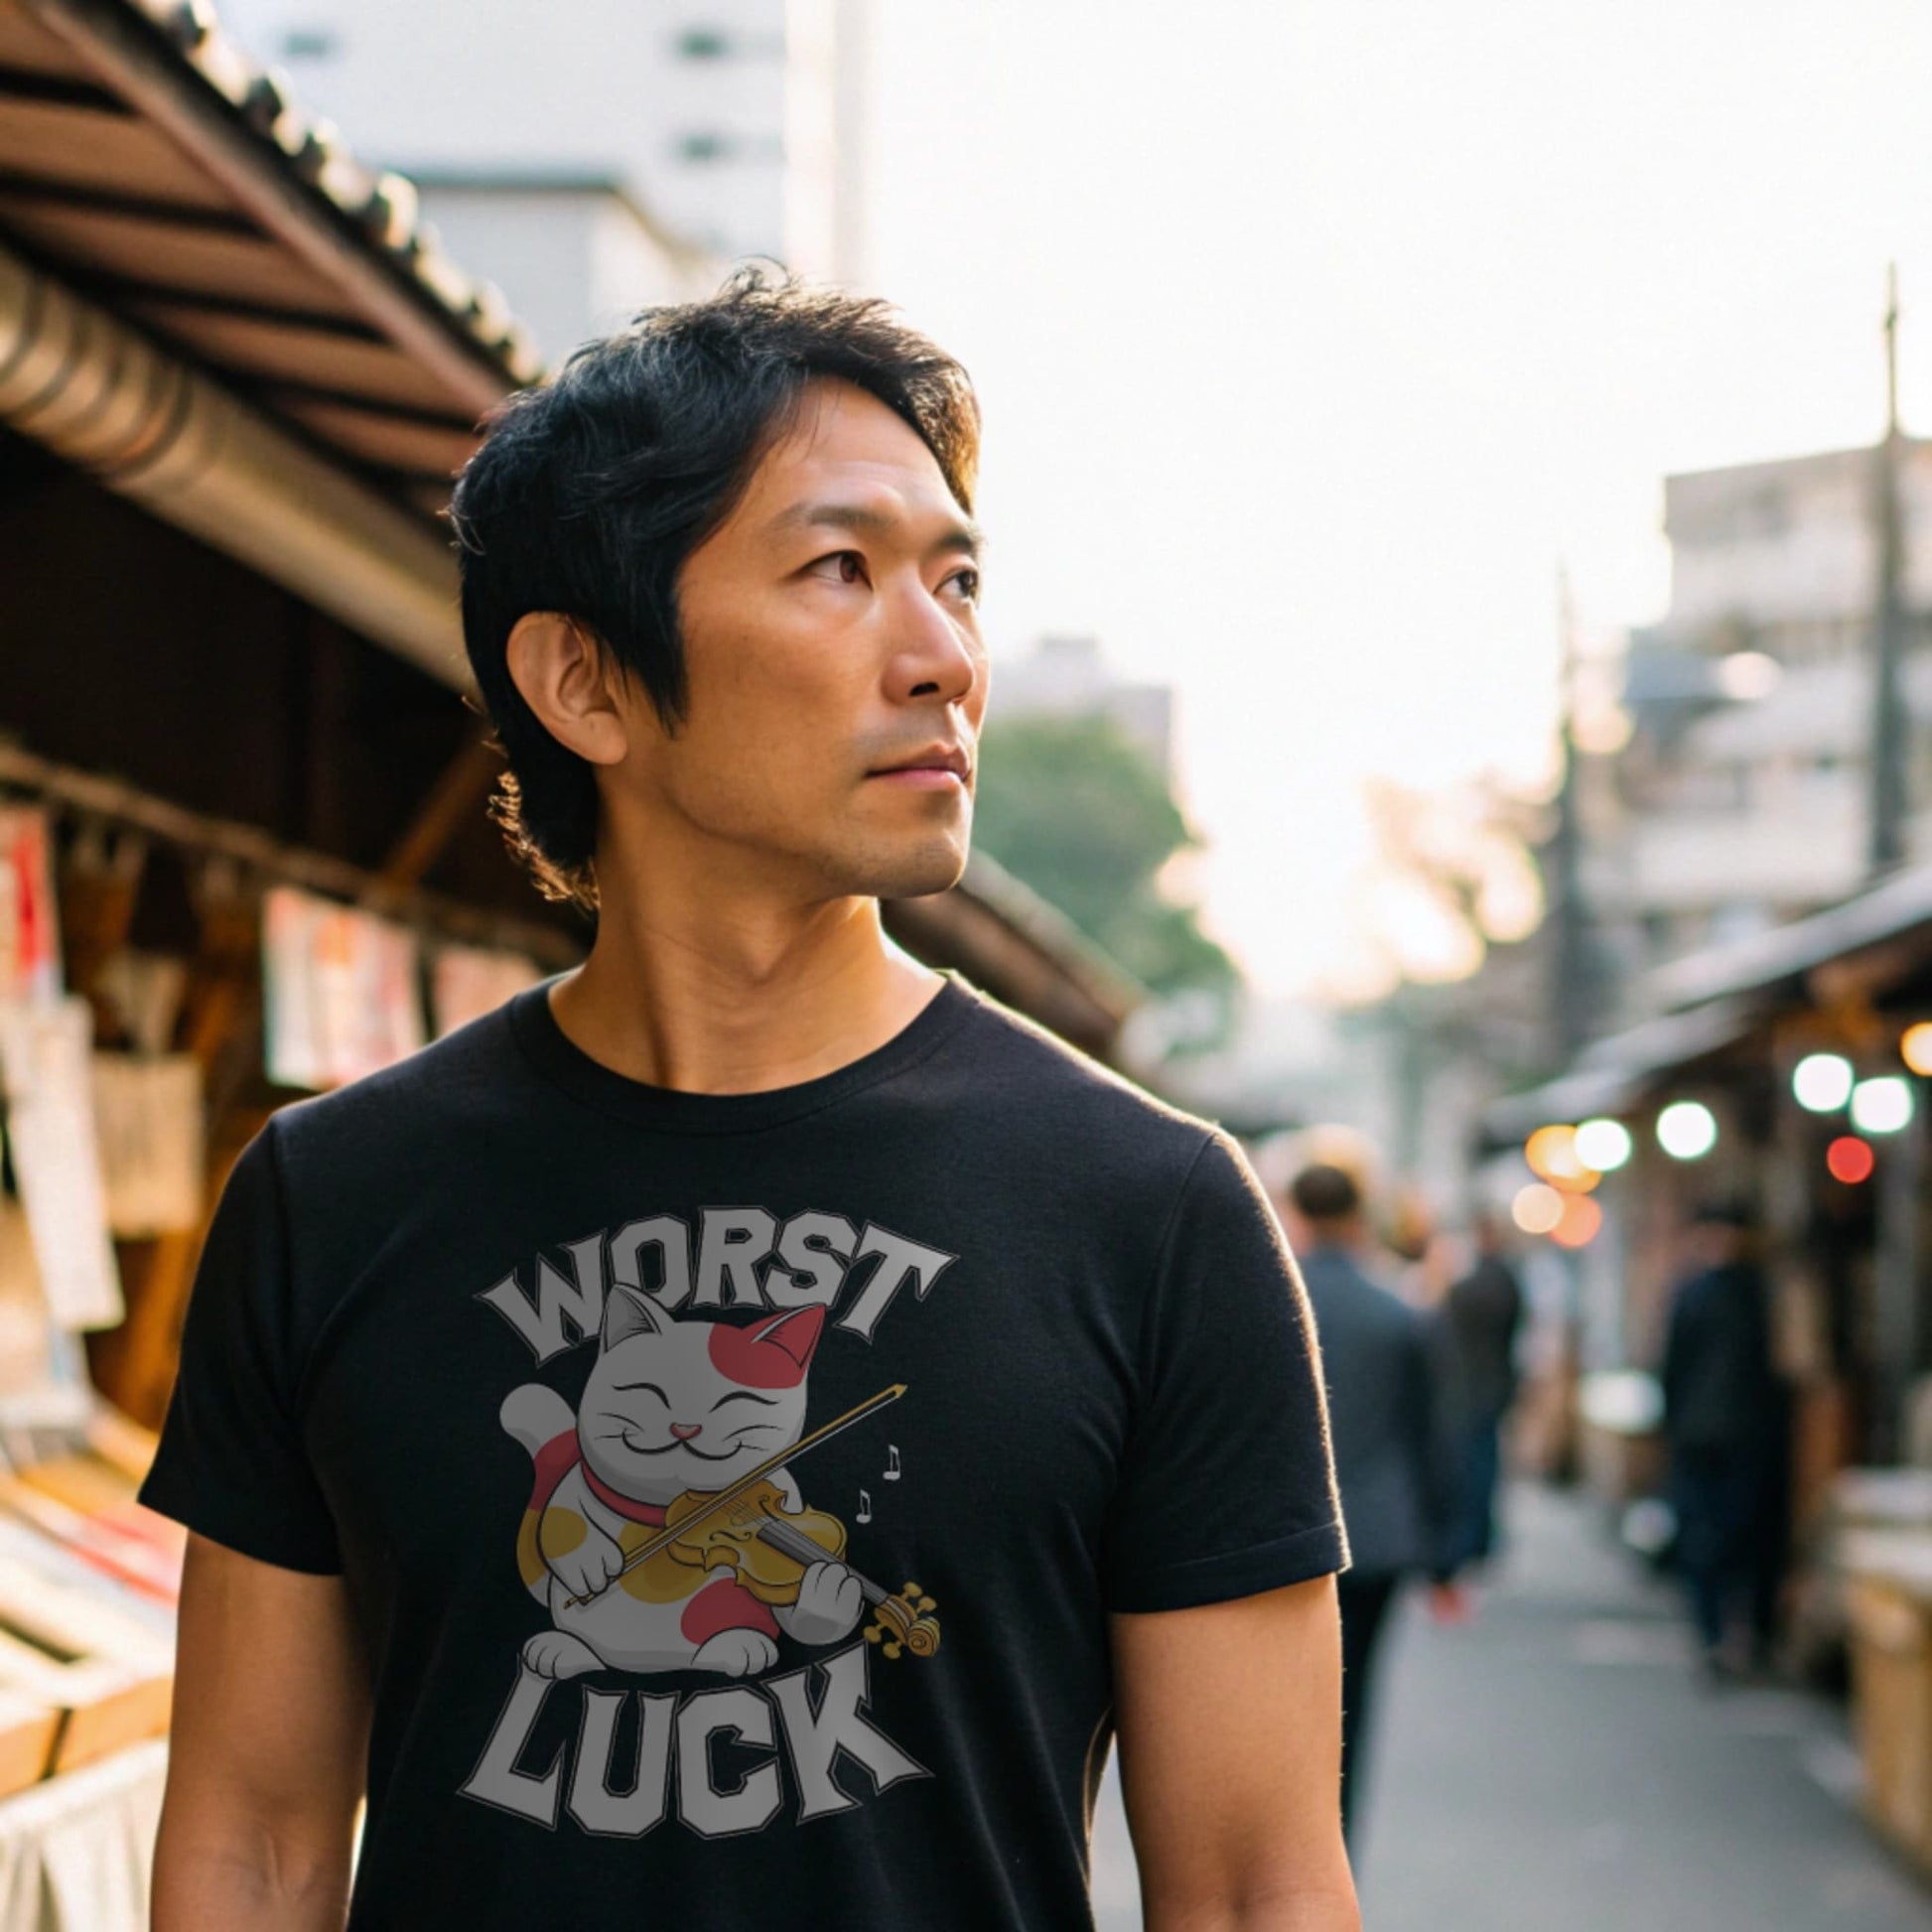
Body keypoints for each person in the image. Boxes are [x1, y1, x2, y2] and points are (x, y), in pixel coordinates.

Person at [137, 272, 1359, 1931]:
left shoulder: (1147, 1208)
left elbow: (1250, 1887)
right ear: (585, 683)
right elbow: (257, 1838)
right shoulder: (333, 1198)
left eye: (959, 581)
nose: (942, 660)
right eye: (840, 570)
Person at [1286, 1163, 1460, 1850]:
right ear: (1360, 1216)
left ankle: (1285, 1856)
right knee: (1352, 1707)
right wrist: (1448, 1551)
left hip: (1284, 1535)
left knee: (1279, 1709)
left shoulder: (1269, 1299)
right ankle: (1335, 1857)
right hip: (1381, 1535)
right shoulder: (1400, 1311)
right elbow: (1434, 1433)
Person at [1660, 1200, 1790, 1679]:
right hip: (1750, 1435)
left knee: (1704, 1534)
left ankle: (1713, 1632)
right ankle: (1748, 1632)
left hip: (1700, 1433)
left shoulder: (1693, 1292)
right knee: (1744, 1533)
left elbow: (1671, 1367)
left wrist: (1671, 1423)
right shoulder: (1761, 1293)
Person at [1441, 1211, 1525, 1570]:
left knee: (1475, 1465)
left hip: (1474, 1387)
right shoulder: (1507, 1280)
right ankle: (1480, 1535)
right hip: (1493, 1385)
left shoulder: (1476, 1284)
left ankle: (1473, 1536)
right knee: (1485, 1463)